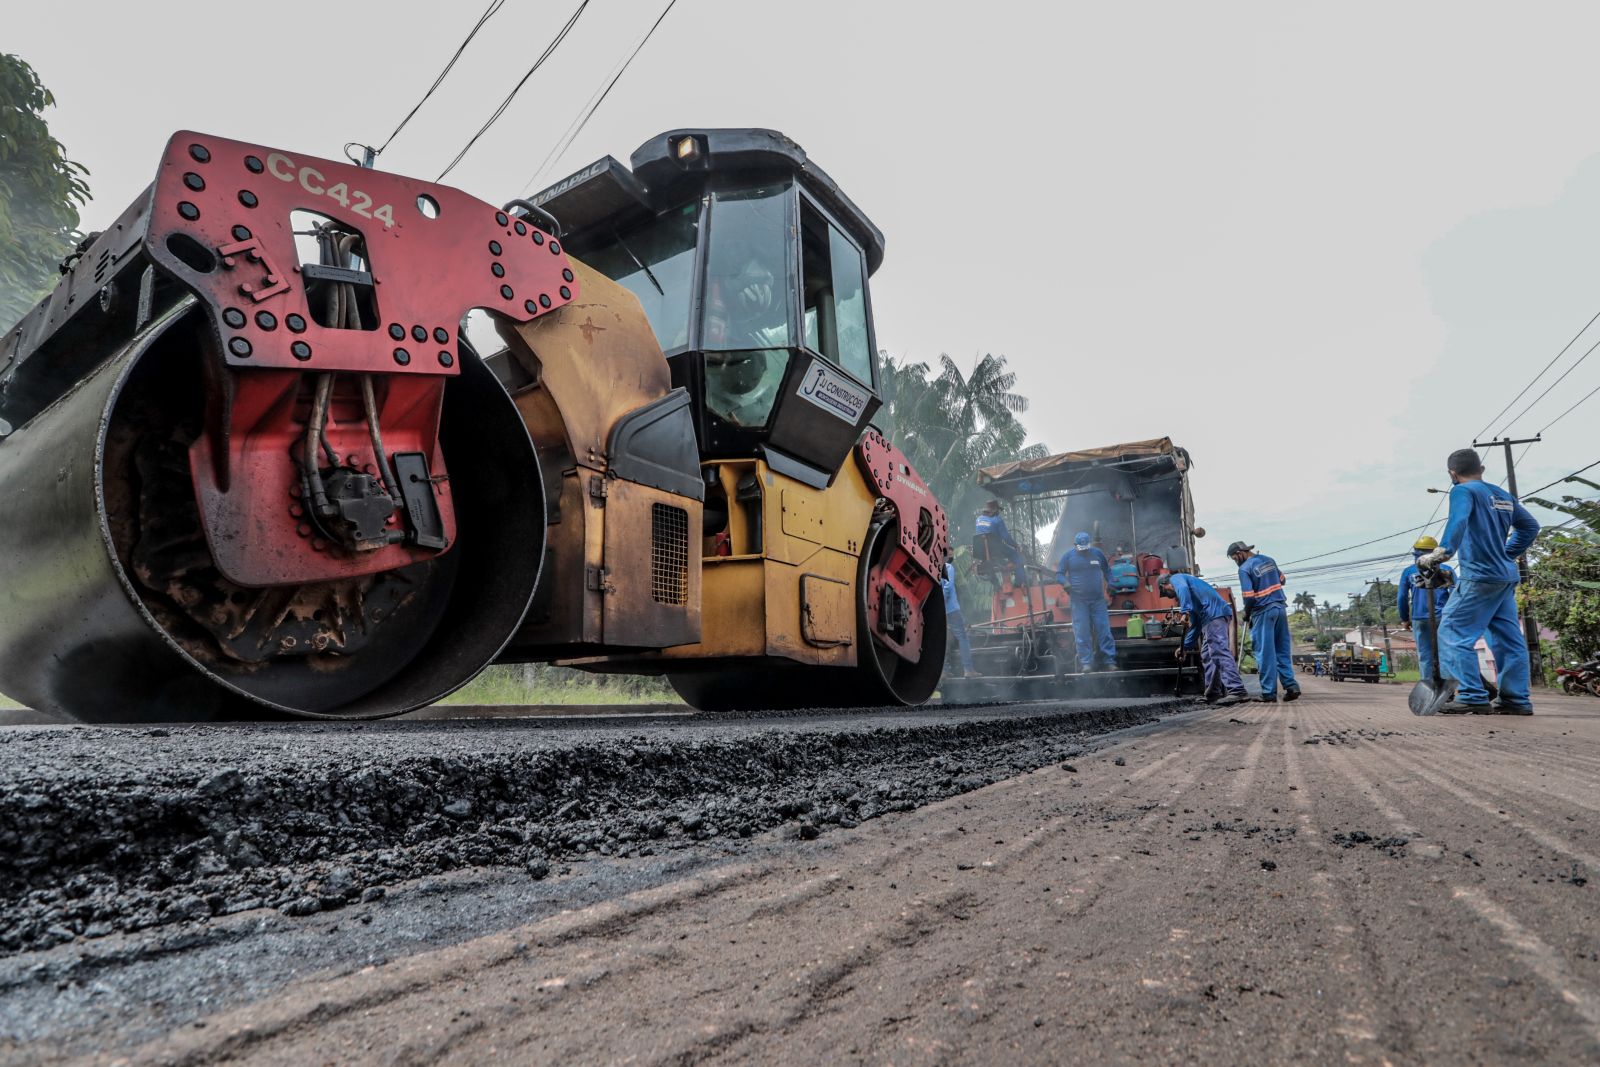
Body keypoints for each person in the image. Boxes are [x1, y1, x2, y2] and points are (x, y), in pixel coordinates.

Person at [1419, 448, 1541, 714]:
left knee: (1452, 633)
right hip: (1505, 578)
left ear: (1452, 473)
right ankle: (1516, 700)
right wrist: (1505, 554)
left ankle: (1473, 695)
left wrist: (1444, 551)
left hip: (1480, 576)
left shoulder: (1462, 491)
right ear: (1481, 469)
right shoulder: (1502, 494)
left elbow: (1458, 520)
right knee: (1509, 640)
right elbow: (1531, 527)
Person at [1228, 541, 1301, 703]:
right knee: (1282, 651)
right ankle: (1291, 686)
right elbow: (1282, 580)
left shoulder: (1244, 569)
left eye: (1234, 558)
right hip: (1280, 608)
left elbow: (1249, 596)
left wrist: (1247, 614)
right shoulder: (1269, 559)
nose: (1236, 561)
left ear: (1240, 553)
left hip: (1263, 611)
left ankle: (1268, 693)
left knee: (1265, 653)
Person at [1160, 571, 1248, 706]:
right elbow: (1195, 625)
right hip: (1209, 619)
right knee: (1207, 654)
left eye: (1166, 592)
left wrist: (1184, 611)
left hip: (1215, 615)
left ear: (1165, 584)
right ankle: (1212, 694)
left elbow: (1182, 589)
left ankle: (1237, 690)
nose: (1168, 596)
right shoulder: (1193, 598)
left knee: (1218, 651)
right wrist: (1184, 648)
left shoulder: (1176, 578)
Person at [1057, 532, 1119, 672]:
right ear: (1075, 545)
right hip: (1079, 602)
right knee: (1082, 631)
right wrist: (1065, 583)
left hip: (1098, 600)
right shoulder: (1068, 556)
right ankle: (1086, 663)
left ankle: (1110, 661)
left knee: (1104, 630)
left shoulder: (1097, 554)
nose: (1083, 550)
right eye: (1081, 548)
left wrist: (1112, 584)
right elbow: (1059, 573)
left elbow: (1107, 571)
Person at [1398, 535, 1454, 680]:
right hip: (1444, 617)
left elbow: (1402, 597)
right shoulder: (1447, 569)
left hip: (1420, 619)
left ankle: (1430, 688)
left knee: (1425, 656)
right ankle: (1447, 689)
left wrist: (1405, 619)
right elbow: (1457, 592)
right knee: (1446, 653)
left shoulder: (1409, 572)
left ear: (1416, 553)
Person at [942, 556, 981, 679]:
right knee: (963, 637)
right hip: (951, 609)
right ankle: (968, 670)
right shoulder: (947, 567)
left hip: (941, 612)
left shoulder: (932, 570)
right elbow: (947, 587)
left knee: (944, 640)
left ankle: (944, 670)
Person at [974, 500, 1028, 587]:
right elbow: (1006, 538)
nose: (998, 512)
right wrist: (1016, 545)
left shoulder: (978, 520)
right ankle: (1020, 583)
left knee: (1001, 554)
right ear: (995, 510)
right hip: (996, 549)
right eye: (998, 510)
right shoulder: (997, 520)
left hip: (982, 552)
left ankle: (996, 585)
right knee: (1016, 556)